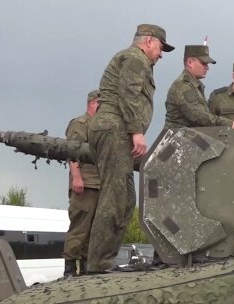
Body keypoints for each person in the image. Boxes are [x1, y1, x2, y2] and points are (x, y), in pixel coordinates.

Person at [86, 24, 174, 274]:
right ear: (148, 42)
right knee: (113, 199)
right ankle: (98, 265)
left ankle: (104, 261)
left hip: (118, 131)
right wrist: (136, 131)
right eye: (160, 47)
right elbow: (129, 94)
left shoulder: (136, 60)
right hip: (116, 130)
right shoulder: (136, 59)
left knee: (125, 200)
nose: (161, 54)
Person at [164, 45, 234, 132]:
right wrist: (229, 124)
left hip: (187, 138)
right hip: (176, 139)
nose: (207, 67)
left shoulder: (193, 86)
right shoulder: (183, 86)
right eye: (203, 63)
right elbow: (197, 115)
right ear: (190, 62)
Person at [62, 90, 100, 277]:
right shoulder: (80, 124)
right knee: (79, 227)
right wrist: (77, 177)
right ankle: (70, 268)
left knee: (93, 229)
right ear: (93, 103)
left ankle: (85, 267)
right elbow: (72, 151)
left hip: (99, 183)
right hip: (85, 182)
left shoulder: (100, 127)